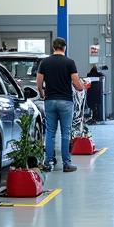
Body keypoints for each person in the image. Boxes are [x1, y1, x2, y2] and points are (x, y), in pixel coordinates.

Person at [36, 37, 85, 173]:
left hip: (50, 101)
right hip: (65, 101)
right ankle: (66, 164)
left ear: (53, 47)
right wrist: (82, 88)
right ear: (65, 47)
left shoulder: (45, 62)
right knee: (65, 133)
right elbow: (76, 83)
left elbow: (38, 82)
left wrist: (42, 94)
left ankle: (47, 162)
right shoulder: (69, 62)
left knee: (50, 133)